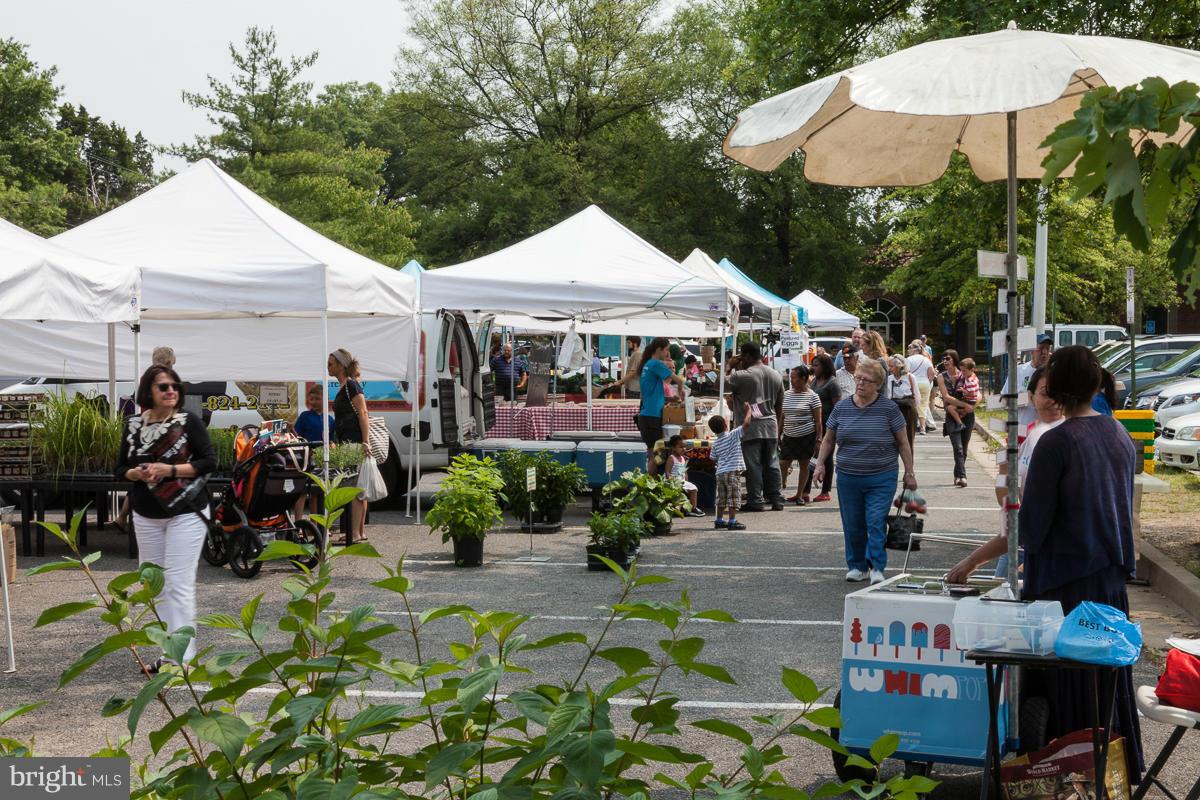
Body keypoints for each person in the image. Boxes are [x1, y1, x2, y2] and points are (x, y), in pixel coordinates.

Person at [994, 346, 1143, 780]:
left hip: (1064, 583)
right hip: (1110, 580)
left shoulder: (1057, 441)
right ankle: (1111, 770)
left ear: (1056, 389)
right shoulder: (1117, 434)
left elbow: (1032, 525)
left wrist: (1008, 503)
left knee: (1066, 684)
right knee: (1108, 681)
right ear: (1096, 385)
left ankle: (1065, 774)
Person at [115, 364, 215, 673]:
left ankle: (180, 660)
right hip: (146, 513)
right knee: (154, 586)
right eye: (163, 386)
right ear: (149, 392)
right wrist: (138, 472)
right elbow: (120, 470)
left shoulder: (189, 422)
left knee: (178, 584)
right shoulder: (133, 425)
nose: (171, 390)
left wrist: (167, 469)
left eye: (174, 385)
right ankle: (167, 653)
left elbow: (209, 462)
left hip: (186, 511)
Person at [947, 367, 1064, 583]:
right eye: (1046, 393)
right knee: (1002, 592)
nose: (1054, 400)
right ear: (1031, 397)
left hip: (1051, 549)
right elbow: (1002, 481)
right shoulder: (1021, 434)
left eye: (1060, 392)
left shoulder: (1068, 437)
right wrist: (1010, 513)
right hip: (1020, 534)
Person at [815, 358, 915, 584]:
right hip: (848, 476)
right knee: (853, 523)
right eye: (858, 378)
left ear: (878, 384)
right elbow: (829, 439)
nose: (860, 383)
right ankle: (858, 566)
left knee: (875, 520)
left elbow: (903, 443)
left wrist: (910, 472)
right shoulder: (841, 407)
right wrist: (820, 463)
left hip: (882, 475)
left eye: (866, 380)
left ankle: (877, 566)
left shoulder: (889, 409)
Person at [726, 341, 786, 511]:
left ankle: (756, 499)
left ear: (747, 356)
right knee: (772, 463)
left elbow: (718, 383)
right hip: (771, 425)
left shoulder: (743, 375)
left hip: (750, 427)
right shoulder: (775, 374)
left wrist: (729, 365)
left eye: (742, 356)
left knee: (753, 465)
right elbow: (780, 405)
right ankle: (776, 498)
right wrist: (779, 428)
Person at [328, 348, 370, 543]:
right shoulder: (345, 386)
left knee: (353, 488)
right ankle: (358, 532)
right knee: (359, 488)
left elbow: (363, 413)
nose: (328, 367)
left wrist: (365, 441)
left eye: (331, 363)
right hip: (349, 442)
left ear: (341, 365)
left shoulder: (351, 386)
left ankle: (354, 533)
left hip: (353, 443)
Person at [635, 337, 685, 475]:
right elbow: (679, 380)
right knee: (654, 457)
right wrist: (680, 395)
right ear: (659, 349)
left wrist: (669, 398)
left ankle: (651, 487)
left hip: (647, 415)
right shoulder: (656, 364)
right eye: (667, 349)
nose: (668, 353)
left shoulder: (648, 364)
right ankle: (649, 488)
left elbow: (652, 393)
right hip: (651, 417)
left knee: (654, 455)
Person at [780, 364, 822, 505]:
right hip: (789, 435)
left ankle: (799, 494)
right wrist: (778, 434)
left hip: (806, 435)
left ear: (803, 378)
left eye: (794, 378)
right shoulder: (786, 394)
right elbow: (782, 416)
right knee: (783, 463)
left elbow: (818, 421)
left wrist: (818, 440)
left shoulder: (813, 397)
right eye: (790, 378)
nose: (791, 380)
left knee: (804, 465)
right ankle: (782, 481)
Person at [804, 353, 841, 503]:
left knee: (826, 458)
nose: (814, 368)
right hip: (814, 424)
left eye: (817, 365)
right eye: (813, 365)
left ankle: (825, 491)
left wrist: (834, 427)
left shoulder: (832, 383)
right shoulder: (814, 382)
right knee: (810, 457)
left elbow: (837, 407)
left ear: (825, 366)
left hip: (829, 425)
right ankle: (804, 491)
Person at [936, 350, 976, 487]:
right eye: (943, 358)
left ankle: (957, 474)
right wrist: (964, 405)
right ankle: (963, 477)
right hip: (952, 415)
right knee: (957, 447)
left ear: (954, 359)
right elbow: (946, 397)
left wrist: (972, 406)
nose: (945, 361)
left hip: (967, 415)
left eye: (948, 358)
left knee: (964, 448)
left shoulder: (964, 373)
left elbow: (978, 392)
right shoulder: (941, 377)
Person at [709, 410, 751, 531]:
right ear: (726, 425)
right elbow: (746, 424)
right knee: (733, 496)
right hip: (732, 471)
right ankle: (732, 521)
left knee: (722, 497)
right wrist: (749, 411)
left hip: (720, 472)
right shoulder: (733, 435)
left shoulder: (715, 443)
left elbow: (713, 458)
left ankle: (719, 520)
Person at [1003, 334, 1054, 426]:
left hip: (1046, 430)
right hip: (1023, 430)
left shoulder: (1055, 373)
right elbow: (1004, 401)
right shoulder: (1018, 371)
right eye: (1041, 348)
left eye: (1047, 348)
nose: (1045, 352)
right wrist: (1025, 399)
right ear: (1032, 351)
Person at [666, 435, 706, 517]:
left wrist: (686, 480)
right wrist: (671, 481)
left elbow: (684, 472)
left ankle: (693, 508)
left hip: (681, 481)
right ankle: (677, 510)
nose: (683, 449)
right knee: (678, 495)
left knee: (694, 488)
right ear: (673, 448)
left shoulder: (683, 458)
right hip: (673, 481)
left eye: (684, 447)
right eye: (681, 447)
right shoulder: (671, 458)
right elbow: (667, 472)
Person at [887, 355, 920, 448]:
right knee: (893, 440)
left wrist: (915, 411)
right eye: (889, 366)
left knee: (909, 439)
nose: (890, 369)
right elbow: (888, 396)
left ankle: (909, 462)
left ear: (899, 366)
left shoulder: (910, 377)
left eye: (891, 366)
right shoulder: (889, 379)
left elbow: (917, 395)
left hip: (909, 409)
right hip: (895, 410)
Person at [906, 340, 937, 433]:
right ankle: (923, 428)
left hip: (913, 384)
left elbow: (905, 373)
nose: (908, 350)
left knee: (913, 405)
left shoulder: (909, 359)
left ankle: (914, 425)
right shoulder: (926, 359)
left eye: (909, 348)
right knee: (923, 405)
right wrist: (928, 382)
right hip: (925, 384)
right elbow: (932, 373)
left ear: (914, 350)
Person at [945, 357, 980, 432]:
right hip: (968, 399)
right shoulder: (970, 376)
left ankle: (960, 424)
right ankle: (961, 417)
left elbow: (973, 394)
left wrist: (964, 391)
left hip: (969, 400)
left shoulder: (971, 381)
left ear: (972, 369)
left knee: (950, 408)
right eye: (961, 370)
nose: (962, 372)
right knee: (958, 409)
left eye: (964, 371)